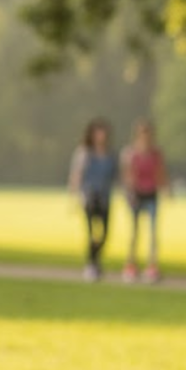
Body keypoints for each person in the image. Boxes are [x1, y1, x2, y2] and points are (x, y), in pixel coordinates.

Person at [67, 118, 118, 282]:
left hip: (105, 197)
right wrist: (74, 196)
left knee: (104, 234)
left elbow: (114, 177)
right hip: (89, 196)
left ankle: (95, 261)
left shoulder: (110, 154)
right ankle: (91, 264)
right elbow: (77, 174)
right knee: (91, 233)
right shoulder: (85, 153)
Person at [119, 118, 170, 283]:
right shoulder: (131, 153)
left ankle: (152, 266)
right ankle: (130, 265)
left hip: (151, 194)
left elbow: (160, 173)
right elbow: (127, 176)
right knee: (134, 232)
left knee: (153, 232)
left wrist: (166, 189)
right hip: (136, 194)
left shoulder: (156, 153)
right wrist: (129, 193)